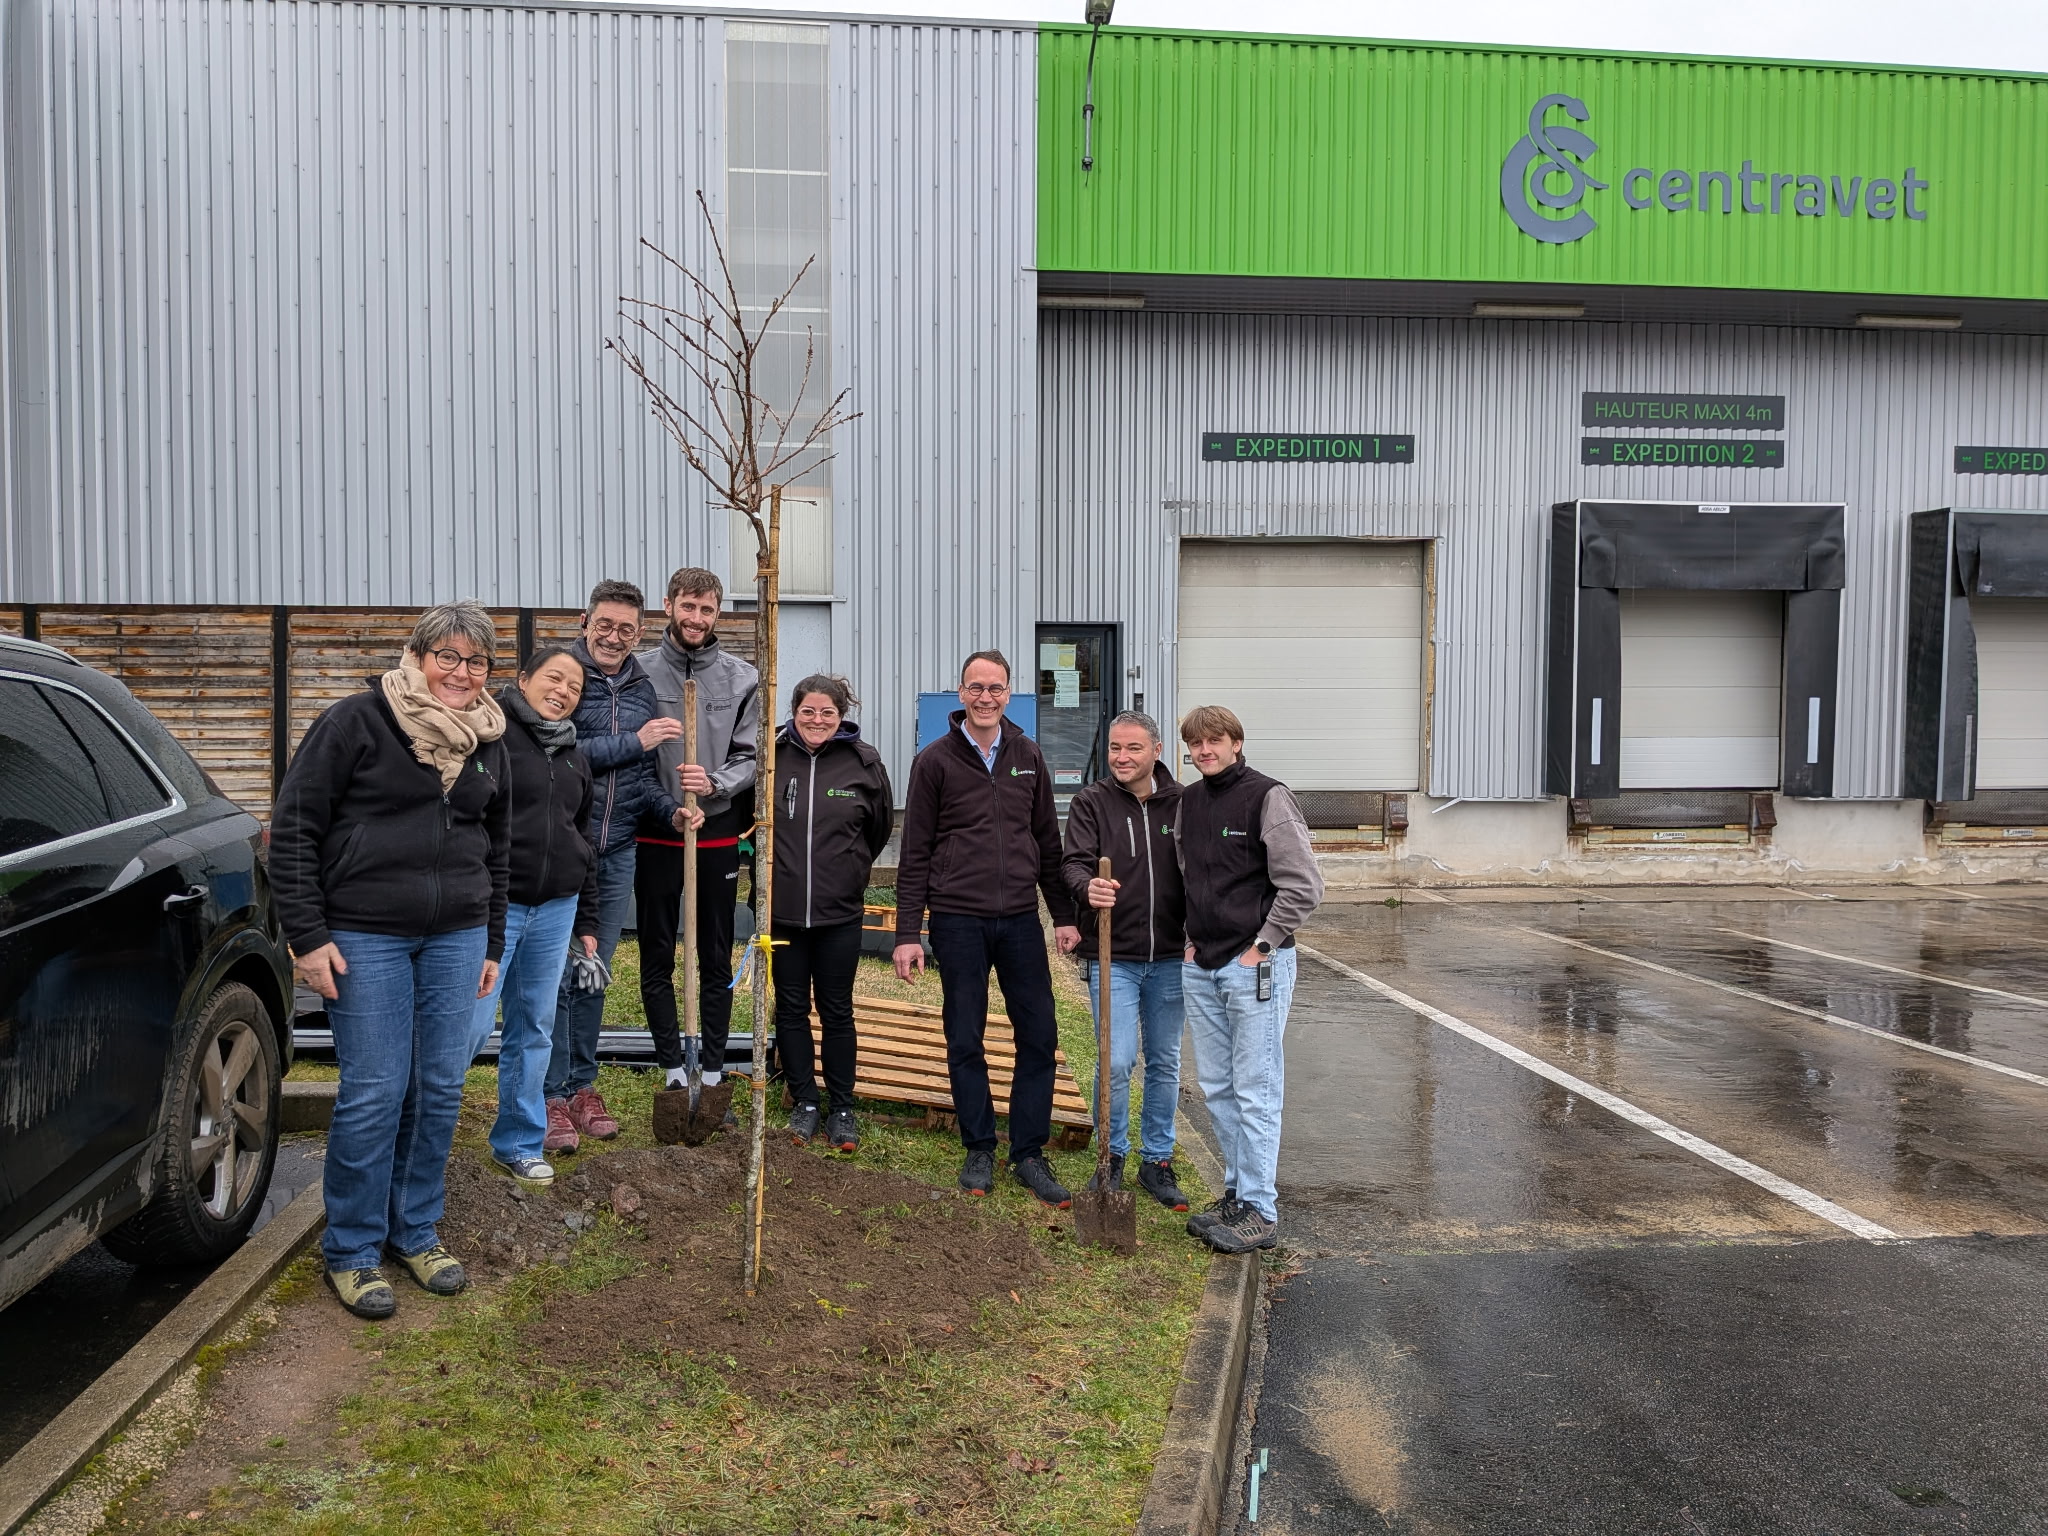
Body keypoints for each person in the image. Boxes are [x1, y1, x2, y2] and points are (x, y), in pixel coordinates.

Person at [271, 601, 510, 1321]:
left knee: (438, 1088)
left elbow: (497, 848)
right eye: (449, 658)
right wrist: (307, 938)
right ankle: (350, 1248)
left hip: (457, 934)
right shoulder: (355, 722)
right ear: (417, 656)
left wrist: (493, 940)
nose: (462, 674)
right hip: (363, 933)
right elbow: (293, 829)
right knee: (375, 1090)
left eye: (476, 662)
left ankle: (415, 1231)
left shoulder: (488, 738)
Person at [894, 651, 1081, 1206]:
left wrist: (1064, 916)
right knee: (965, 1035)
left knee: (1039, 1036)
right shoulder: (935, 761)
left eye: (995, 688)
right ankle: (979, 1144)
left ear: (1008, 693)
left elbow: (1049, 843)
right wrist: (908, 932)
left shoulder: (1028, 756)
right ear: (960, 693)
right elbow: (915, 853)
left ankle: (1028, 1152)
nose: (985, 697)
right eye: (975, 687)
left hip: (1021, 918)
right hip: (958, 920)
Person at [1174, 704, 1323, 1255]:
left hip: (1255, 964)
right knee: (1217, 1088)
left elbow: (1304, 884)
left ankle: (1260, 1209)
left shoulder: (1268, 797)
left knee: (1255, 1091)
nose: (1205, 751)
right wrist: (1191, 943)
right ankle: (1237, 1194)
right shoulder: (1190, 801)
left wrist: (1263, 945)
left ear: (1237, 743)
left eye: (1215, 741)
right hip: (1203, 963)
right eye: (1196, 743)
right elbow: (1189, 874)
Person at [544, 579, 680, 1152]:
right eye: (605, 624)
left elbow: (642, 778)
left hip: (618, 847)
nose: (614, 636)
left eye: (627, 628)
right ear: (585, 621)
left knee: (592, 972)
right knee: (552, 974)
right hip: (561, 845)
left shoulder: (643, 689)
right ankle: (548, 1096)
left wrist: (670, 812)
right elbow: (559, 747)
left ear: (639, 633)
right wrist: (636, 741)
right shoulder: (560, 676)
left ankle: (582, 1086)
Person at [470, 646, 602, 1183]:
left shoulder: (575, 756)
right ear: (523, 680)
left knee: (534, 1029)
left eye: (575, 687)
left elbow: (582, 839)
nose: (564, 691)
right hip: (491, 909)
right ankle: (417, 1138)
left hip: (555, 910)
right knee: (469, 1029)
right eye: (554, 678)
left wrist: (588, 920)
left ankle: (519, 1142)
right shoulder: (490, 739)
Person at [636, 567, 760, 1105]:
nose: (697, 618)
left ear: (718, 614)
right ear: (670, 605)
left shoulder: (742, 678)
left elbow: (751, 757)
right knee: (658, 950)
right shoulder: (638, 675)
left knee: (713, 949)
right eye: (688, 607)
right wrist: (666, 806)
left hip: (715, 831)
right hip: (656, 830)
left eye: (707, 610)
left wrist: (713, 784)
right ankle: (671, 1066)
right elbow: (629, 753)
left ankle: (711, 1069)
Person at [1061, 710, 1191, 1212]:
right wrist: (1085, 886)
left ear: (1156, 750)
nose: (1122, 757)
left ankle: (1156, 1160)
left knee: (1164, 1061)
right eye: (1115, 747)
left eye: (1133, 748)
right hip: (1112, 954)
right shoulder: (1093, 802)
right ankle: (1110, 1157)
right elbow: (1072, 862)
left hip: (1172, 956)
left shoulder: (1183, 803)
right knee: (1116, 1061)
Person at [770, 675, 894, 1152]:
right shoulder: (774, 758)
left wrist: (848, 871)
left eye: (826, 713)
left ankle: (842, 1106)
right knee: (792, 1007)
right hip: (782, 917)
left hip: (839, 914)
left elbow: (879, 830)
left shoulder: (863, 764)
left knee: (837, 1009)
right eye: (808, 712)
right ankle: (804, 1101)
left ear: (841, 716)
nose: (816, 721)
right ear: (794, 712)